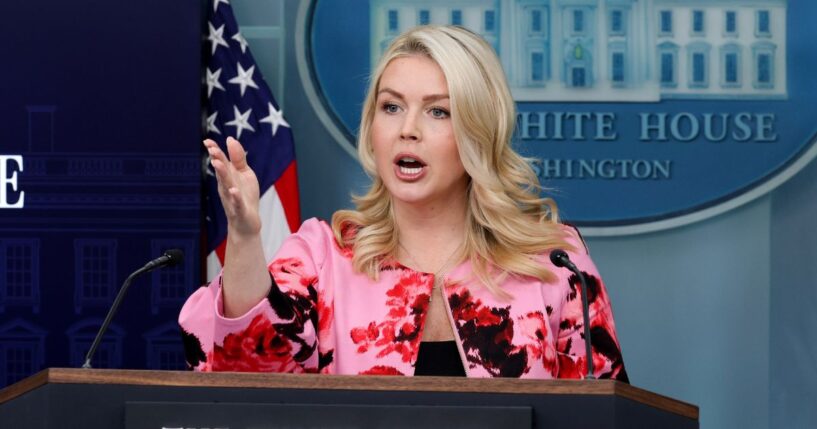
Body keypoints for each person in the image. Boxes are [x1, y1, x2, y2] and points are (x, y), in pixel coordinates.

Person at [180, 25, 628, 380]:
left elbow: (603, 411)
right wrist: (244, 236)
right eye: (391, 107)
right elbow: (245, 370)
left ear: (479, 131)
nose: (407, 129)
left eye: (438, 111)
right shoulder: (323, 257)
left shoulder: (554, 263)